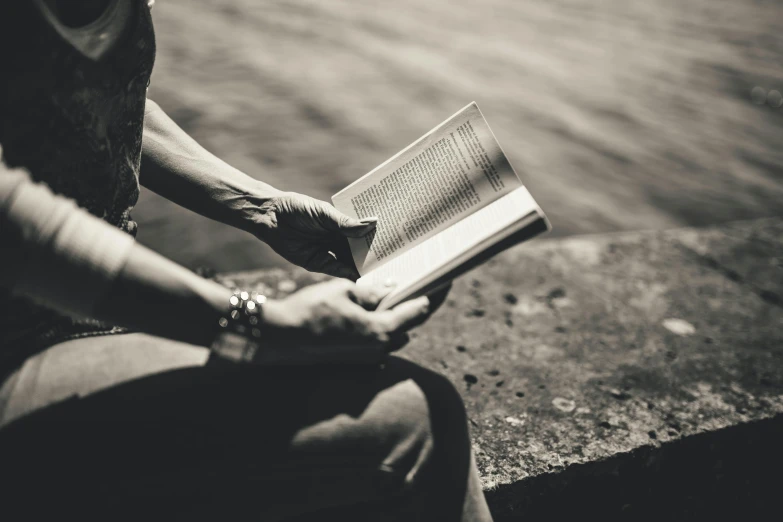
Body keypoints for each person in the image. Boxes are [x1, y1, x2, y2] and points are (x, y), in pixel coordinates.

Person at [0, 1, 494, 520]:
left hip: (77, 314)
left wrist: (260, 206)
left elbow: (88, 103)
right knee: (416, 421)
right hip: (16, 346)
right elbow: (15, 226)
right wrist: (259, 327)